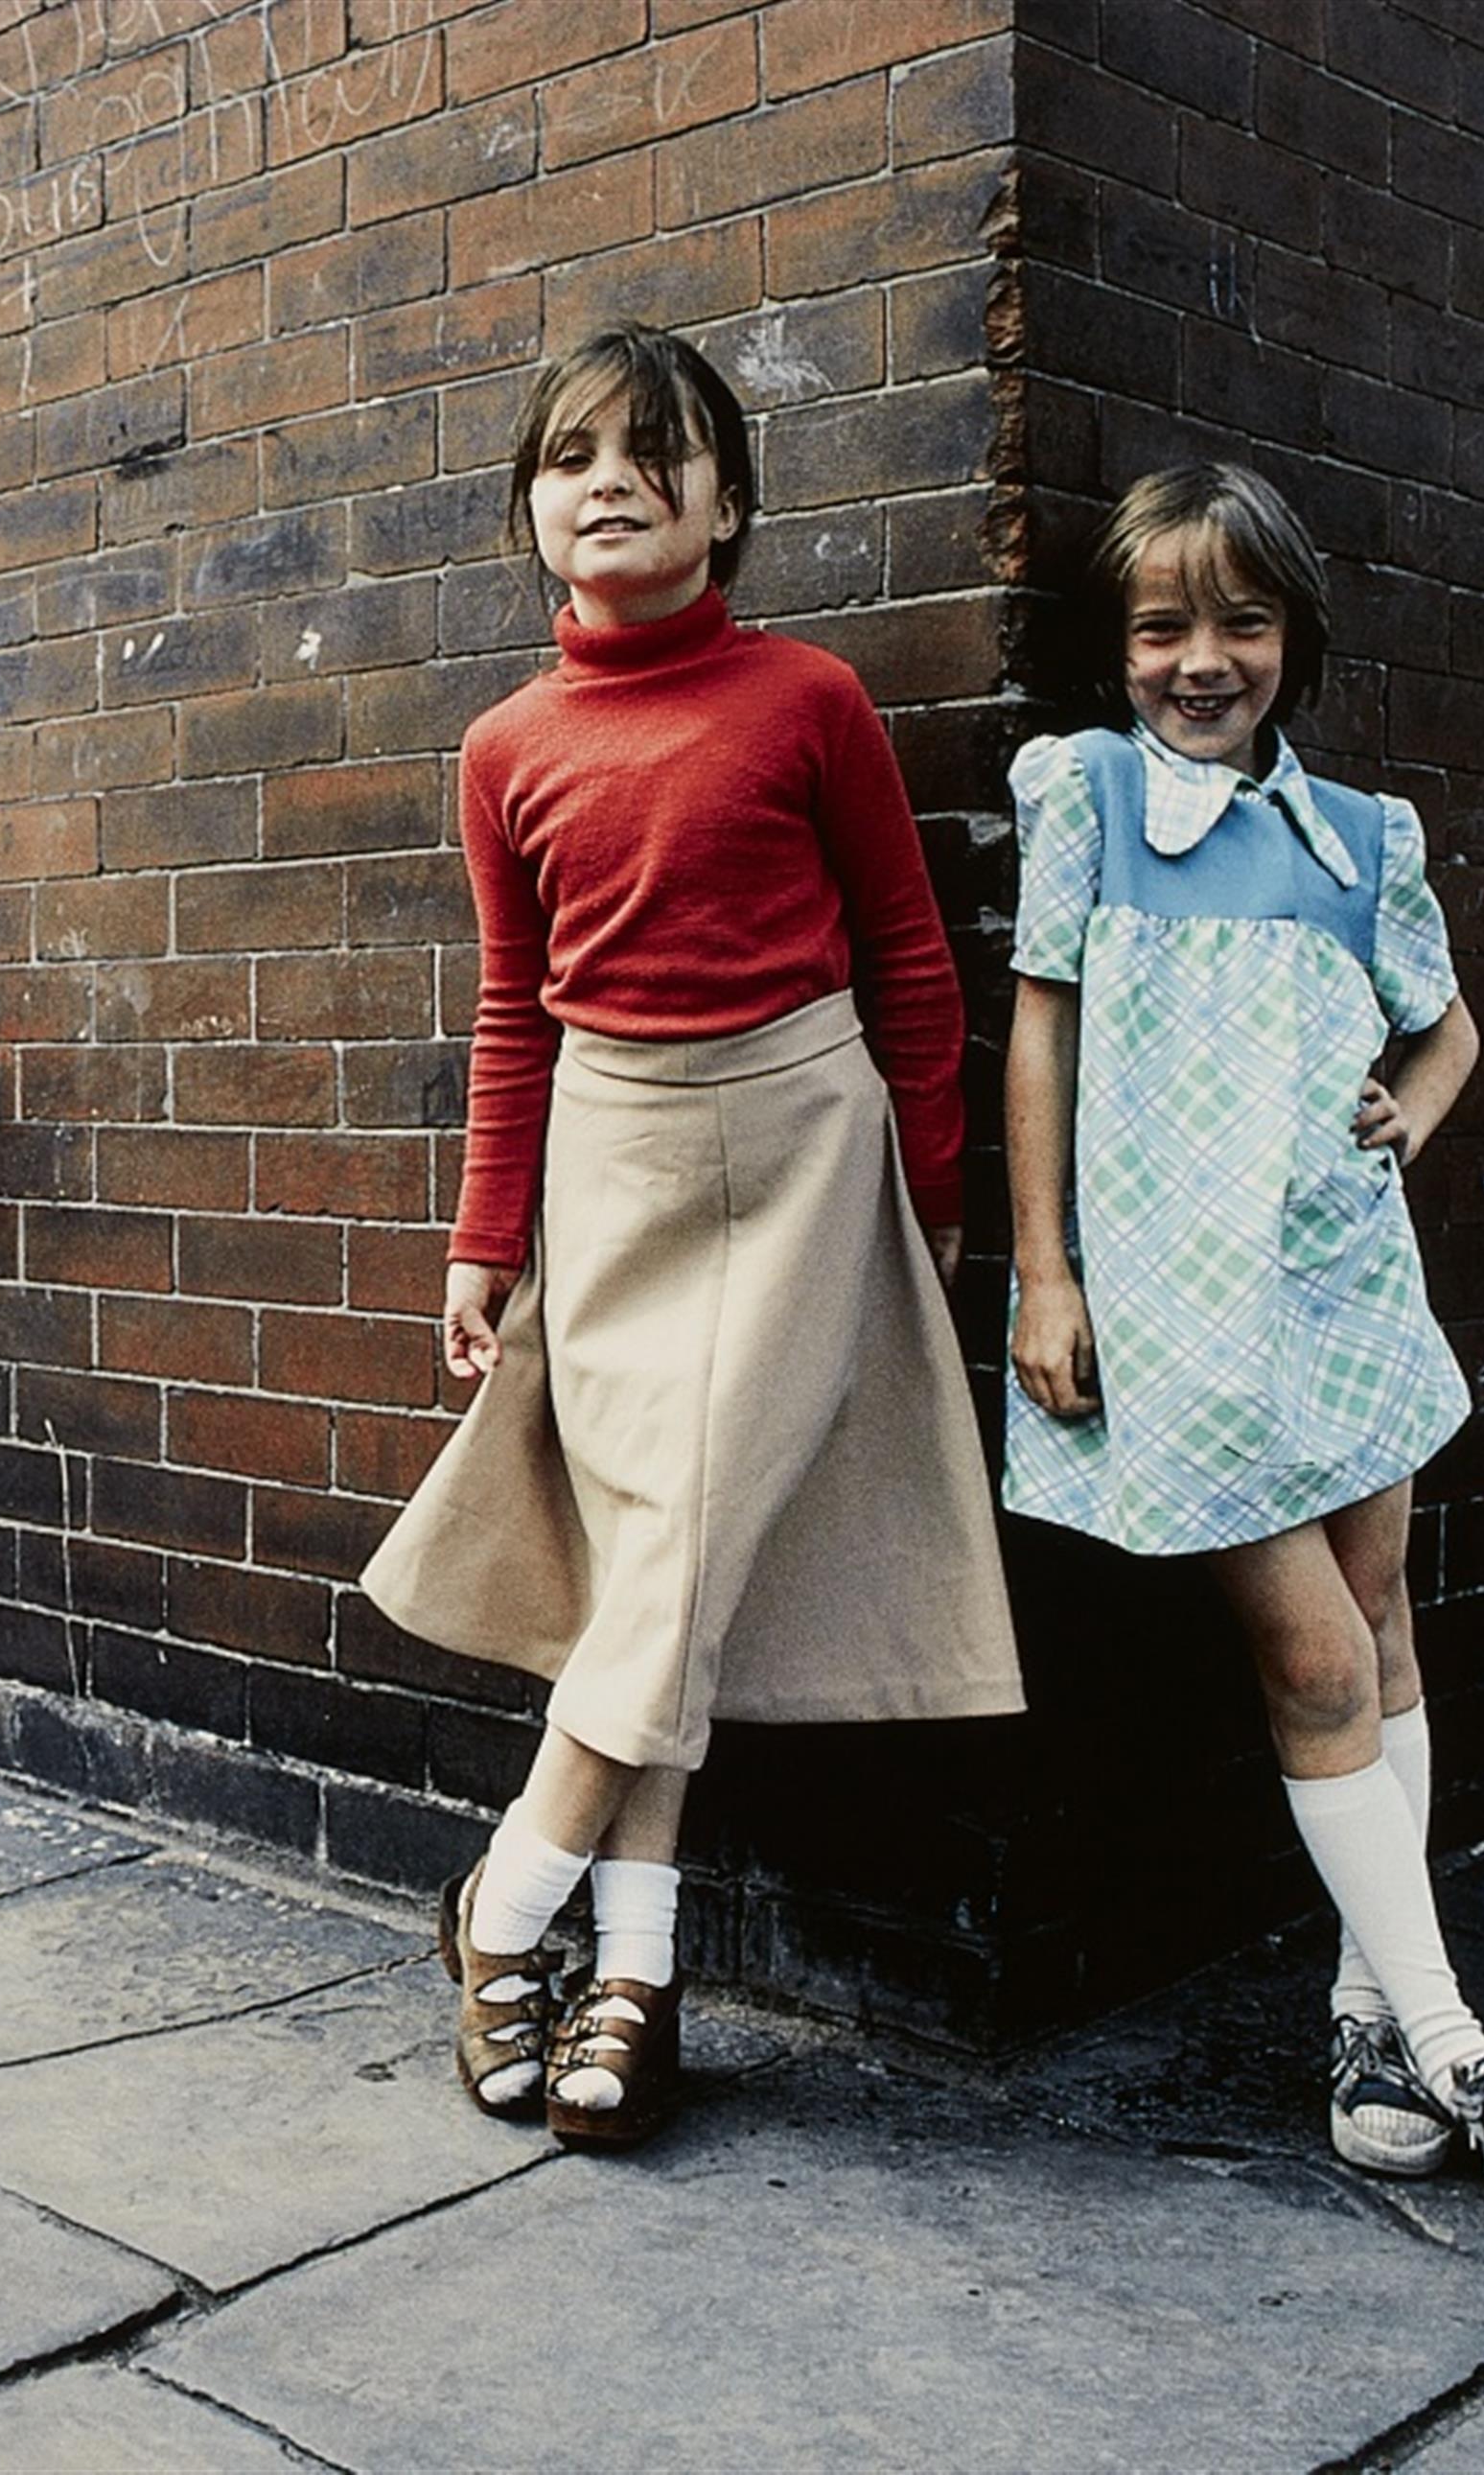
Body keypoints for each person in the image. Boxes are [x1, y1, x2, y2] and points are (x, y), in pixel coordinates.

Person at [361, 326, 1023, 2147]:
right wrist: (481, 1246)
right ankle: (637, 1979)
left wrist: (941, 1192)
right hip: (615, 1163)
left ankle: (499, 1917)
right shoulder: (505, 746)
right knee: (666, 1578)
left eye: (660, 458)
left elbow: (907, 951)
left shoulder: (808, 701)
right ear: (531, 514)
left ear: (729, 506)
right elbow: (514, 1010)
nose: (614, 486)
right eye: (574, 458)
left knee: (680, 1554)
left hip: (807, 1148)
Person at [1003, 463, 1484, 2210]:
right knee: (1316, 1661)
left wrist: (1406, 1118)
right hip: (1175, 1311)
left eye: (1242, 622)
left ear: (1296, 636)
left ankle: (1366, 2029)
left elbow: (1450, 1035)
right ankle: (1457, 2047)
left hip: (1340, 1285)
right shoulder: (1091, 799)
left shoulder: (1361, 840)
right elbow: (1039, 1034)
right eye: (1162, 626)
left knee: (1382, 1627)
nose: (1203, 660)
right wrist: (1048, 1273)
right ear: (1118, 648)